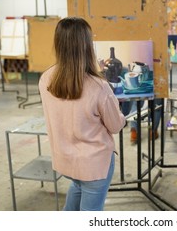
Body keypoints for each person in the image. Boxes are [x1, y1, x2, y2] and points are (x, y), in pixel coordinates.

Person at [39, 17, 126, 210]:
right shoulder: (98, 86)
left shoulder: (45, 79)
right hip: (94, 166)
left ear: (58, 43)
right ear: (87, 45)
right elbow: (115, 125)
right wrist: (122, 117)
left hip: (65, 161)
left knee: (76, 191)